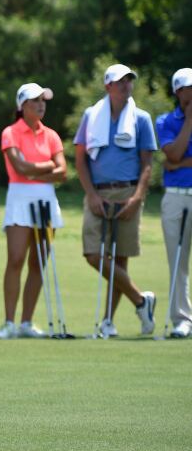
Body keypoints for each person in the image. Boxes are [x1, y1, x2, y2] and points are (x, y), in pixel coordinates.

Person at [73, 63, 156, 337]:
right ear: (108, 86)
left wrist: (137, 198)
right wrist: (91, 194)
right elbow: (80, 159)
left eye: (129, 81)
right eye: (120, 81)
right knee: (93, 254)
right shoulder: (91, 115)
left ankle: (108, 322)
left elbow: (147, 163)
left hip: (128, 193)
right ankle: (141, 300)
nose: (126, 86)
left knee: (120, 260)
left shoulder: (141, 118)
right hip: (98, 192)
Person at [0, 83, 67, 339]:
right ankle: (8, 323)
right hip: (19, 198)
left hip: (46, 199)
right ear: (22, 105)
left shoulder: (52, 135)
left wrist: (36, 169)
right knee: (15, 259)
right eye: (35, 100)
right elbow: (19, 167)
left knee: (39, 263)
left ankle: (26, 322)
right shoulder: (10, 133)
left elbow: (63, 172)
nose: (41, 104)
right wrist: (47, 167)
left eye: (43, 100)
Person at [155, 67, 192, 338]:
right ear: (179, 91)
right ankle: (182, 318)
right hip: (176, 197)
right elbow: (174, 152)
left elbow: (176, 160)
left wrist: (178, 163)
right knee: (177, 260)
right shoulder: (165, 121)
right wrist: (189, 121)